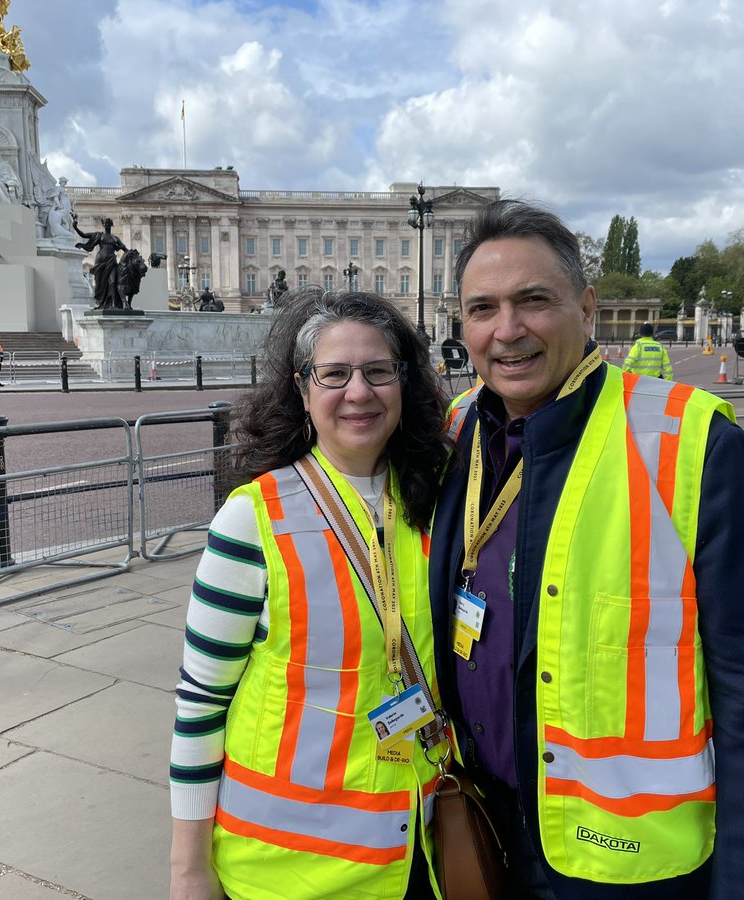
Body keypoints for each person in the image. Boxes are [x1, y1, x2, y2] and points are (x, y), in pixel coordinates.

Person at [428, 199, 744, 898]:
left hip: (625, 860)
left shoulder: (696, 447)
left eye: (533, 301)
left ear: (588, 309)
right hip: (483, 827)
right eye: (482, 309)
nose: (506, 331)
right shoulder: (457, 430)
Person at [169, 287, 451, 900]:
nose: (359, 392)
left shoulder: (434, 506)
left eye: (379, 371)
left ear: (405, 383)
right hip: (285, 866)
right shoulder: (252, 518)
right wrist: (187, 869)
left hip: (414, 851)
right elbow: (199, 701)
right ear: (302, 389)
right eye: (334, 374)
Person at [74, 217, 127, 310]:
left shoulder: (115, 238)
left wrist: (131, 254)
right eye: (105, 223)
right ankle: (100, 301)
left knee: (112, 281)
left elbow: (125, 249)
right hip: (100, 261)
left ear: (111, 225)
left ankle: (113, 303)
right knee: (99, 283)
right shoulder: (99, 235)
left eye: (108, 223)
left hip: (111, 260)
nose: (106, 225)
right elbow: (83, 235)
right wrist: (75, 228)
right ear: (103, 225)